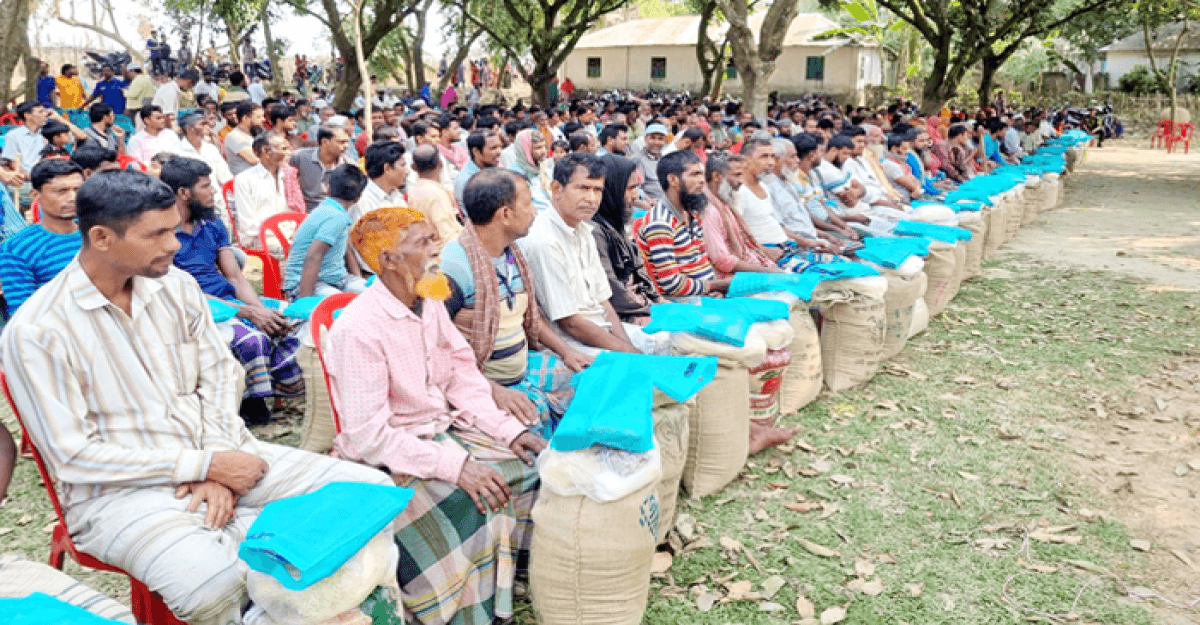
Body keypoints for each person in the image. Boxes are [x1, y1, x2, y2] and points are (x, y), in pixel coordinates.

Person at [0, 168, 394, 625]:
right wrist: (203, 467)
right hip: (119, 494)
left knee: (370, 491)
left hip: (225, 455)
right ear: (103, 238)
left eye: (173, 228)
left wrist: (217, 464)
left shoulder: (177, 287)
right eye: (158, 234)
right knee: (212, 588)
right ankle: (290, 591)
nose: (173, 244)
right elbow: (74, 456)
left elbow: (223, 378)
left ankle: (286, 589)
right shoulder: (37, 330)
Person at [325, 206, 547, 625]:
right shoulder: (359, 328)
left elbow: (462, 378)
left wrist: (507, 429)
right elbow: (369, 435)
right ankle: (450, 609)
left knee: (526, 465)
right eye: (423, 242)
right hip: (389, 454)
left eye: (434, 238)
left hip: (440, 431)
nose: (437, 250)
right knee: (471, 494)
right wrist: (456, 466)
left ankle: (499, 587)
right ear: (388, 260)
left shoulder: (429, 302)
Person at [443, 168, 591, 432]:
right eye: (529, 203)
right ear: (505, 215)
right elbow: (436, 349)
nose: (534, 211)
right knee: (534, 430)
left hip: (523, 369)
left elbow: (528, 316)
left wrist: (567, 351)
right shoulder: (453, 268)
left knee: (597, 382)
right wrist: (495, 391)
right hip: (483, 384)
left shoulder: (513, 254)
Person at [163, 157, 303, 424]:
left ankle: (283, 385)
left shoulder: (212, 224)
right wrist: (248, 313)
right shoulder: (163, 235)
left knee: (294, 317)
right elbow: (182, 292)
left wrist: (261, 311)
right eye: (206, 186)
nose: (214, 191)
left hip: (227, 297)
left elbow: (236, 277)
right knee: (251, 339)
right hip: (196, 305)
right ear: (183, 193)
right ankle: (251, 403)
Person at [521, 153, 662, 356]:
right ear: (556, 189)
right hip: (571, 344)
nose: (592, 199)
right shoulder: (544, 241)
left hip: (600, 331)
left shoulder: (584, 230)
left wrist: (628, 347)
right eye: (583, 188)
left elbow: (604, 301)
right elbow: (570, 324)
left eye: (597, 190)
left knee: (671, 341)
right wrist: (629, 352)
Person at [630, 150, 730, 299]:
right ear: (673, 180)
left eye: (701, 174)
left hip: (703, 293)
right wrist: (716, 286)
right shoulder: (660, 222)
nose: (702, 180)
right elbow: (671, 284)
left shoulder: (691, 212)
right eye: (694, 174)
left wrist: (714, 288)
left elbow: (702, 261)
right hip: (680, 301)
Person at [0, 160, 85, 316]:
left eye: (77, 190)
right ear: (35, 195)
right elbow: (25, 314)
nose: (72, 197)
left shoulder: (98, 235)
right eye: (61, 191)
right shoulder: (17, 249)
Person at [592, 154, 664, 322]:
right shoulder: (595, 231)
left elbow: (637, 269)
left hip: (639, 304)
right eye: (630, 188)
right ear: (612, 188)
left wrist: (657, 299)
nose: (635, 196)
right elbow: (612, 287)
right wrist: (647, 309)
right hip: (621, 313)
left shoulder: (615, 222)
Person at [283, 164, 368, 297]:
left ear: (327, 189)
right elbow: (313, 256)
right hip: (306, 284)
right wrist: (306, 301)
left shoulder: (331, 210)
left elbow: (346, 248)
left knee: (374, 294)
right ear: (358, 197)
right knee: (339, 305)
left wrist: (358, 278)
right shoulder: (336, 217)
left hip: (337, 279)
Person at [698, 154, 780, 279]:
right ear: (716, 176)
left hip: (753, 263)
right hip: (732, 277)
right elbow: (722, 261)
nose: (741, 181)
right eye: (737, 175)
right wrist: (768, 271)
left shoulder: (724, 203)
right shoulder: (709, 211)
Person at [173, 112, 234, 226]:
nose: (208, 126)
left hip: (218, 201)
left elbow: (225, 176)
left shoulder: (210, 149)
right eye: (203, 124)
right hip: (194, 207)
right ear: (190, 129)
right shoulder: (176, 152)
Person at [232, 131, 292, 248]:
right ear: (266, 151)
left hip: (285, 233)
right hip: (258, 237)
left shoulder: (286, 176)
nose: (289, 153)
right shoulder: (245, 179)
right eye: (284, 149)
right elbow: (248, 226)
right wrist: (281, 233)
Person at [290, 124, 352, 210]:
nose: (346, 146)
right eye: (341, 142)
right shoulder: (300, 157)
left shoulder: (348, 166)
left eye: (347, 142)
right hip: (303, 210)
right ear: (325, 142)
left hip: (333, 212)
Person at [351, 140, 410, 225]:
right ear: (388, 168)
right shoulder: (362, 202)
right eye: (402, 165)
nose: (407, 171)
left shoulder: (397, 195)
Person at [506, 128, 553, 213]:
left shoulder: (542, 166)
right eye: (538, 148)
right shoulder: (515, 174)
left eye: (544, 147)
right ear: (525, 150)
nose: (543, 151)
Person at [454, 129, 503, 207]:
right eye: (493, 148)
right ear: (476, 151)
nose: (499, 152)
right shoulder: (467, 180)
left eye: (500, 147)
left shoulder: (498, 169)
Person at [631, 123, 669, 204]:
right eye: (652, 138)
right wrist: (650, 202)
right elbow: (636, 189)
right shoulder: (638, 159)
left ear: (665, 141)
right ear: (645, 139)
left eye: (660, 139)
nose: (656, 142)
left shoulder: (664, 159)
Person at [223, 102, 263, 176]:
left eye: (262, 116)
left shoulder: (255, 133)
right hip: (246, 182)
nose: (263, 119)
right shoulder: (235, 136)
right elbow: (254, 160)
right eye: (258, 117)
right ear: (245, 118)